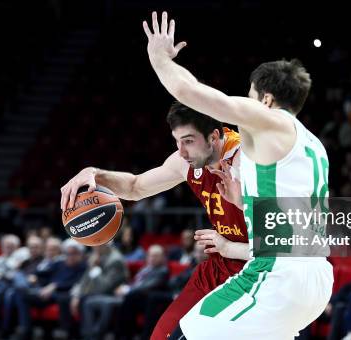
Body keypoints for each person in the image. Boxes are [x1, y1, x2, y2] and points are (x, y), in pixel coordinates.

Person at [143, 11, 334, 339]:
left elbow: (193, 94)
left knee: (181, 335)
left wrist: (159, 59)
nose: (246, 102)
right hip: (316, 277)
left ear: (266, 99)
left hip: (278, 274)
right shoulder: (313, 146)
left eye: (249, 94)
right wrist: (245, 201)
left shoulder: (271, 120)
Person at [60, 102, 250, 339]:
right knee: (162, 335)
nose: (181, 151)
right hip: (219, 266)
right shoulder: (187, 161)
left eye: (188, 141)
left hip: (259, 269)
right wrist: (95, 173)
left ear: (213, 136)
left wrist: (229, 247)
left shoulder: (251, 163)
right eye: (177, 141)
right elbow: (135, 187)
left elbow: (289, 247)